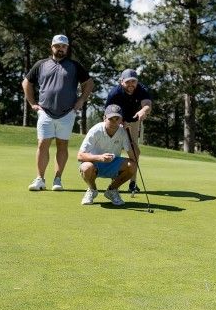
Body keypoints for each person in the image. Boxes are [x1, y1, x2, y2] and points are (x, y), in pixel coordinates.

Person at [22, 35, 94, 192]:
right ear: (52, 47)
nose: (60, 48)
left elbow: (89, 83)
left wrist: (81, 100)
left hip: (67, 113)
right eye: (57, 46)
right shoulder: (41, 64)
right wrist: (32, 103)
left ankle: (58, 179)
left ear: (67, 48)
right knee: (43, 144)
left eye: (64, 46)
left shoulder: (74, 65)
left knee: (62, 145)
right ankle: (40, 179)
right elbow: (26, 82)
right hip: (45, 112)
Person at [77, 104, 136, 206]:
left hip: (113, 165)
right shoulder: (95, 130)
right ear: (104, 118)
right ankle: (92, 190)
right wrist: (99, 158)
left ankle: (112, 190)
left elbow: (134, 157)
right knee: (86, 167)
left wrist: (129, 135)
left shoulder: (123, 132)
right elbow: (80, 156)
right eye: (110, 119)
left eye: (117, 119)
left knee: (133, 166)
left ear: (121, 120)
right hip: (94, 164)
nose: (114, 122)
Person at [105, 69, 152, 194]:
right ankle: (115, 182)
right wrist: (119, 122)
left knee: (134, 151)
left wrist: (143, 111)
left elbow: (147, 104)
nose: (131, 84)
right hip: (116, 121)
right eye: (128, 82)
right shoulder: (114, 93)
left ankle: (132, 183)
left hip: (134, 121)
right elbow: (107, 114)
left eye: (134, 81)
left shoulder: (140, 89)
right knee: (116, 150)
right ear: (121, 81)